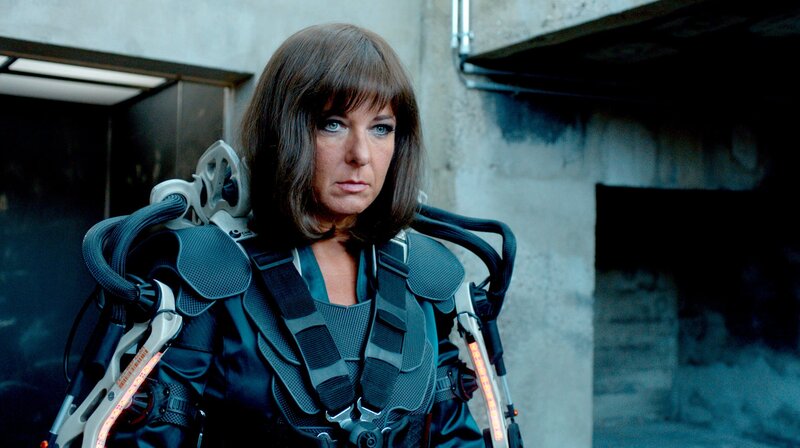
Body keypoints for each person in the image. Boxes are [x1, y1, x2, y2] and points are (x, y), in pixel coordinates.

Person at [105, 23, 484, 447]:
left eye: (381, 128)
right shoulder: (206, 274)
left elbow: (454, 437)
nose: (361, 155)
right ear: (283, 132)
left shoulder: (426, 276)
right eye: (332, 124)